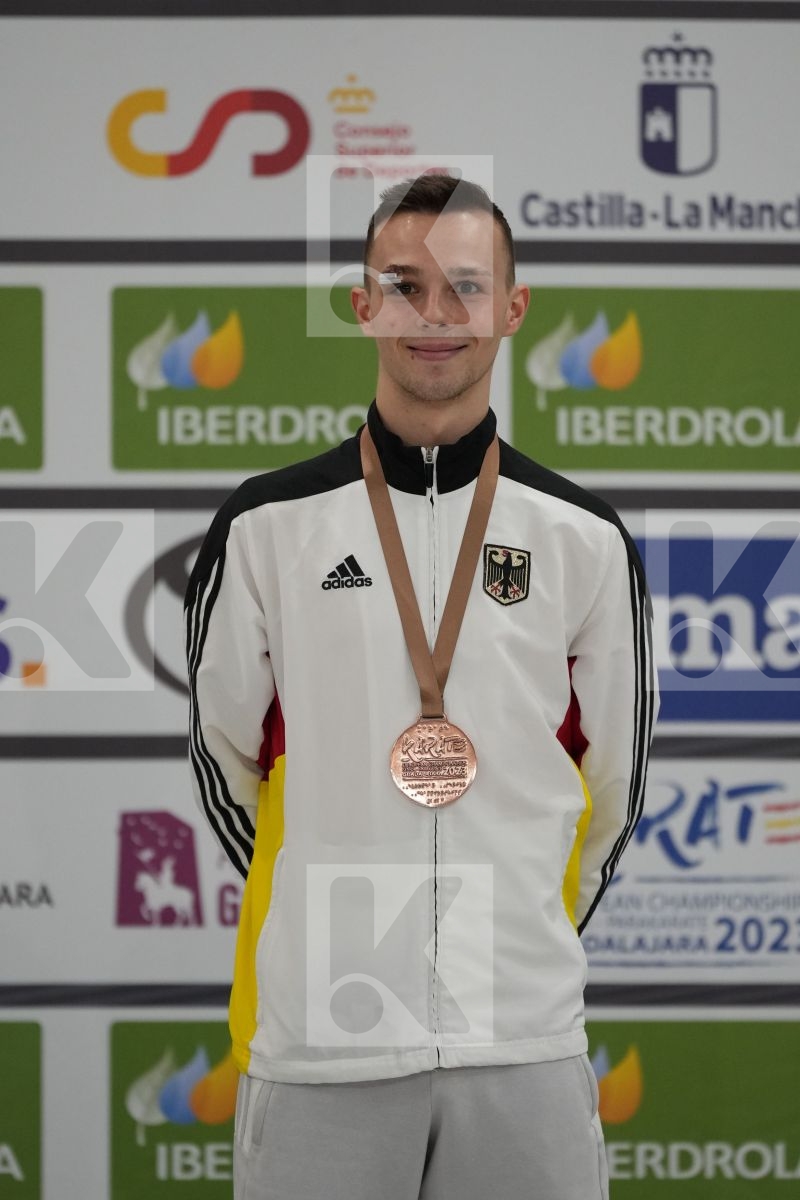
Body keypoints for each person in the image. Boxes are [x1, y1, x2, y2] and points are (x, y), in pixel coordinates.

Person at [185, 173, 658, 1200]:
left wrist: (510, 924)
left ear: (511, 309)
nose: (434, 317)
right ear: (360, 305)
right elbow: (221, 765)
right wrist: (328, 905)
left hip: (521, 1040)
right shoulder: (266, 526)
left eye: (465, 288)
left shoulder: (580, 538)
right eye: (404, 286)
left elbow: (615, 785)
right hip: (323, 1042)